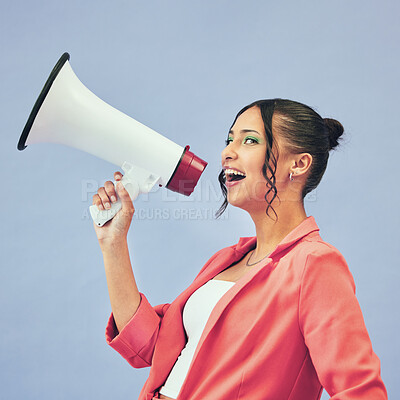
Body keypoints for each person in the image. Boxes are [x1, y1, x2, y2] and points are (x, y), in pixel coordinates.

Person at [92, 99, 388, 400]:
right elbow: (152, 348)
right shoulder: (225, 260)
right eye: (229, 140)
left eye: (249, 140)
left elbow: (360, 392)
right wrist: (113, 243)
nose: (227, 152)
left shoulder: (314, 263)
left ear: (298, 164)